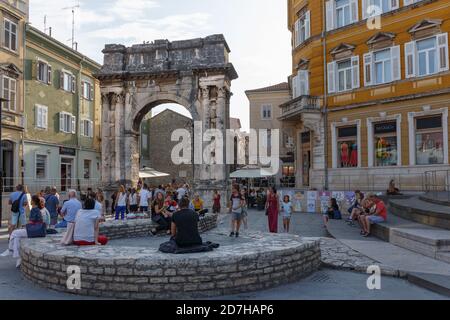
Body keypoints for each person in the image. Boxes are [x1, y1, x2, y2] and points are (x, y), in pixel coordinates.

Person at [1, 195, 45, 267]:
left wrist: (26, 226)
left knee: (14, 233)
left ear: (33, 201)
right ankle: (18, 258)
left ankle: (10, 249)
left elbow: (33, 221)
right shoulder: (37, 209)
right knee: (17, 238)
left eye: (31, 200)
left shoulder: (34, 209)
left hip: (33, 231)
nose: (29, 201)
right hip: (35, 230)